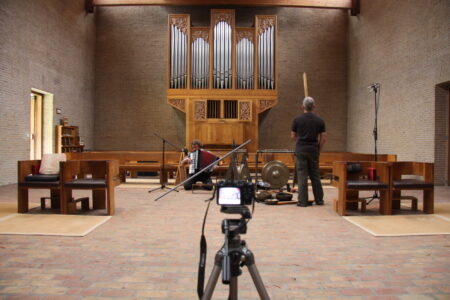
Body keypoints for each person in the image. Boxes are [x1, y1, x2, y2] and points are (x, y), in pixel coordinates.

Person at [291, 96, 327, 207]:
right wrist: (318, 149)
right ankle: (319, 200)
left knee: (302, 176)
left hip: (301, 150)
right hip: (313, 150)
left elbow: (293, 136)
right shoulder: (320, 120)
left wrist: (300, 143)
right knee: (315, 175)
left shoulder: (297, 120)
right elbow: (323, 138)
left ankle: (303, 201)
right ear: (314, 106)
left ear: (302, 106)